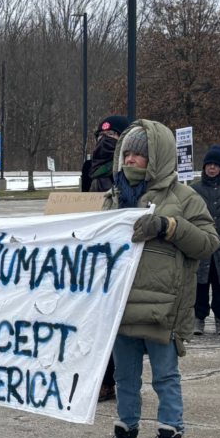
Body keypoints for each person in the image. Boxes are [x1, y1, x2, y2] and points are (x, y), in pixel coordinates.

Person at [96, 120, 219, 438]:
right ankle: (125, 436)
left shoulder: (184, 197)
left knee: (165, 378)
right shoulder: (113, 198)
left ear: (157, 158)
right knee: (125, 378)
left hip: (164, 310)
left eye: (138, 154)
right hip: (122, 307)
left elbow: (209, 243)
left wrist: (170, 227)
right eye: (127, 153)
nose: (130, 160)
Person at [79, 115, 130, 401]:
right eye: (100, 137)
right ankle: (103, 380)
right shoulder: (89, 168)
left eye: (110, 139)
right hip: (96, 254)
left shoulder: (129, 167)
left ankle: (119, 380)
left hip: (122, 254)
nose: (103, 142)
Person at [191, 146, 220, 335]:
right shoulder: (193, 190)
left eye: (216, 165)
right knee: (200, 284)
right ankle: (198, 319)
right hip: (200, 244)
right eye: (209, 164)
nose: (212, 168)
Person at [80, 115, 130, 193]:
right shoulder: (88, 166)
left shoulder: (128, 163)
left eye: (110, 134)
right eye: (101, 134)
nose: (104, 138)